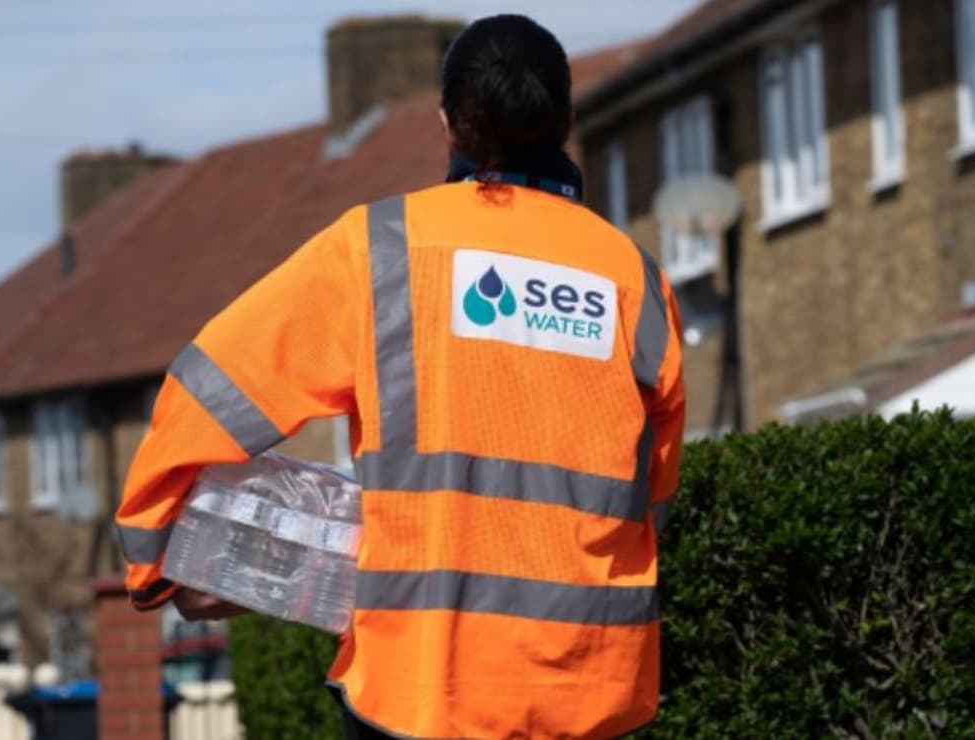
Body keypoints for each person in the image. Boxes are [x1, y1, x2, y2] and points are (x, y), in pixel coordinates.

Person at [115, 14, 685, 739]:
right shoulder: (636, 280)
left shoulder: (382, 251)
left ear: (449, 122)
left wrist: (155, 555)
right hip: (594, 693)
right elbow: (650, 499)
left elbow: (215, 387)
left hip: (425, 689)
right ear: (565, 120)